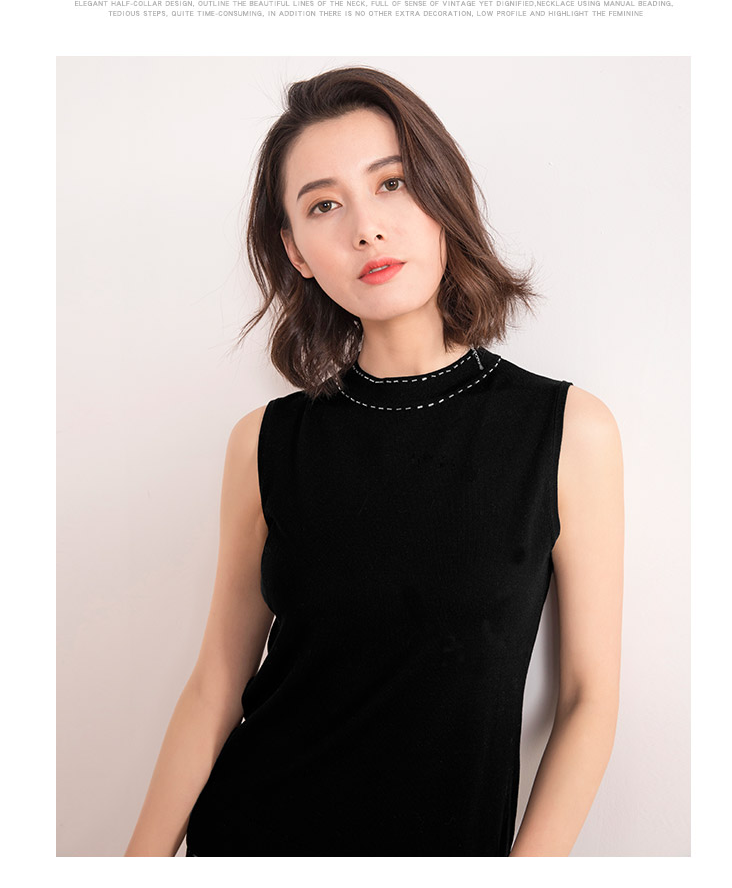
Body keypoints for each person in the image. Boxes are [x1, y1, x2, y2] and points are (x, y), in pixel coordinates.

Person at [124, 66, 624, 857]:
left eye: (391, 183)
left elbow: (590, 698)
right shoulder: (265, 442)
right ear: (296, 251)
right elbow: (216, 684)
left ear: (442, 196)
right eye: (324, 205)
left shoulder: (565, 430)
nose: (366, 229)